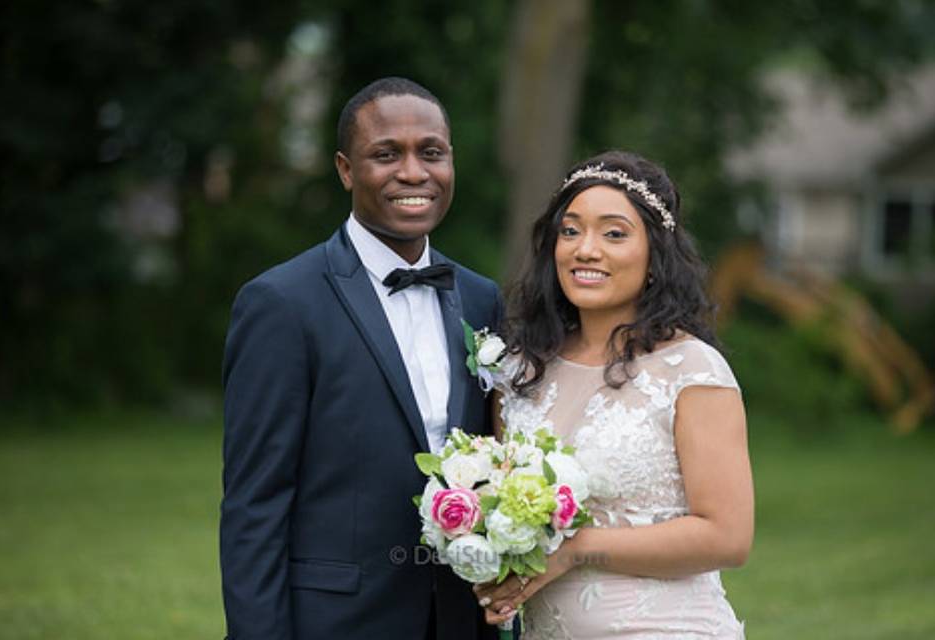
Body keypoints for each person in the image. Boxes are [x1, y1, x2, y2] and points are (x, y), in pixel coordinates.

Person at [220, 77, 501, 640]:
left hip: (457, 618)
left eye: (432, 153)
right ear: (347, 170)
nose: (414, 173)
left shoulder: (481, 298)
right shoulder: (282, 303)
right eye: (385, 154)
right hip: (336, 621)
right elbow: (255, 503)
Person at [476, 150, 754, 638]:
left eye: (614, 233)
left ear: (654, 256)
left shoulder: (690, 371)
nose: (586, 249)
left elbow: (727, 537)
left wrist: (578, 549)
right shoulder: (519, 370)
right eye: (570, 230)